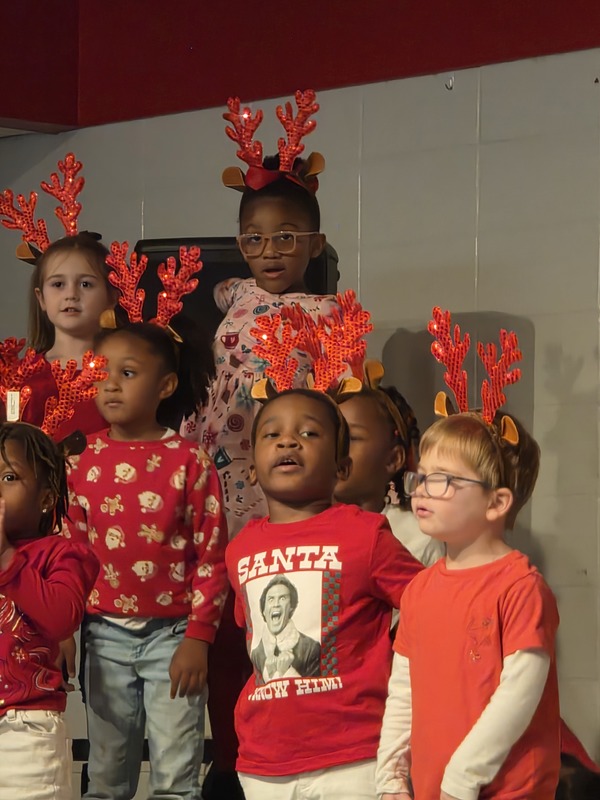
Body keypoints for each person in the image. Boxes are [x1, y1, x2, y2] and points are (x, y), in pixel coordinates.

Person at [226, 388, 423, 800]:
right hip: (265, 762)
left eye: (310, 434)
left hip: (354, 755)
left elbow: (429, 604)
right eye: (272, 434)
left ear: (341, 465)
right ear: (253, 468)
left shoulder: (365, 534)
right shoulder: (240, 548)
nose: (288, 441)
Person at [62, 320, 228, 800]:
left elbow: (211, 554)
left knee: (175, 776)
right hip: (102, 634)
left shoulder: (190, 461)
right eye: (101, 372)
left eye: (128, 372)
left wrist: (199, 637)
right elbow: (71, 553)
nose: (110, 383)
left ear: (166, 385)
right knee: (107, 772)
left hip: (173, 636)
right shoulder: (81, 460)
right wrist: (62, 631)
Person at [376, 410, 560, 799]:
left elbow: (519, 697)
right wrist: (390, 777)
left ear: (497, 503)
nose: (422, 489)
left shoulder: (521, 587)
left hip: (506, 790)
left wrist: (462, 779)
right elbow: (403, 692)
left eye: (442, 480)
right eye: (421, 476)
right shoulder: (419, 590)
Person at [0, 421, 99, 800]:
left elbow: (62, 618)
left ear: (46, 498)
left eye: (9, 476)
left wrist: (7, 558)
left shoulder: (60, 553)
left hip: (26, 729)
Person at [0, 155, 117, 440]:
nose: (71, 295)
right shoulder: (19, 377)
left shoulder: (123, 373)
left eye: (86, 284)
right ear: (40, 297)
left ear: (111, 296)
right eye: (58, 284)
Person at [335, 375, 444, 566]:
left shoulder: (417, 538)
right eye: (328, 436)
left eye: (351, 438)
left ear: (393, 459)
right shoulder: (299, 530)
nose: (335, 449)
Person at [250, 575, 321, 682]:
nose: (276, 604)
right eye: (271, 599)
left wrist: (287, 672)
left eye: (282, 598)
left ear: (291, 607)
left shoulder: (311, 648)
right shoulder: (256, 654)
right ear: (264, 610)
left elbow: (315, 693)